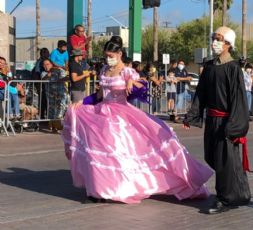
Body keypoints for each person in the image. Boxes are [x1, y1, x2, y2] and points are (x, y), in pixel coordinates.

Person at [61, 36, 213, 204]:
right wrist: (82, 102)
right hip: (102, 111)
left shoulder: (127, 71)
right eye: (106, 55)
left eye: (111, 55)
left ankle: (121, 185)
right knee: (99, 149)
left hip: (120, 114)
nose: (108, 59)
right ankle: (101, 188)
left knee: (118, 149)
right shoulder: (104, 69)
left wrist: (132, 84)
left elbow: (143, 89)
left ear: (119, 54)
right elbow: (99, 94)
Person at [184, 26, 251, 214]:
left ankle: (225, 198)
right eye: (214, 37)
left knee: (224, 160)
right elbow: (201, 94)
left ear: (228, 44)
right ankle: (237, 193)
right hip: (212, 120)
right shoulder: (210, 67)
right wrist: (193, 115)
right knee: (212, 157)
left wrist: (235, 126)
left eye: (219, 38)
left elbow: (238, 99)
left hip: (226, 122)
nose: (215, 41)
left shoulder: (233, 68)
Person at [41, 59, 68, 133]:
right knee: (51, 111)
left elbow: (63, 78)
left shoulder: (59, 70)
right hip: (50, 95)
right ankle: (53, 127)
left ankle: (60, 126)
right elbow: (43, 79)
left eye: (47, 64)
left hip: (61, 94)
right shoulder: (44, 73)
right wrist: (48, 74)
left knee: (61, 109)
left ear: (52, 64)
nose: (46, 66)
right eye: (44, 65)